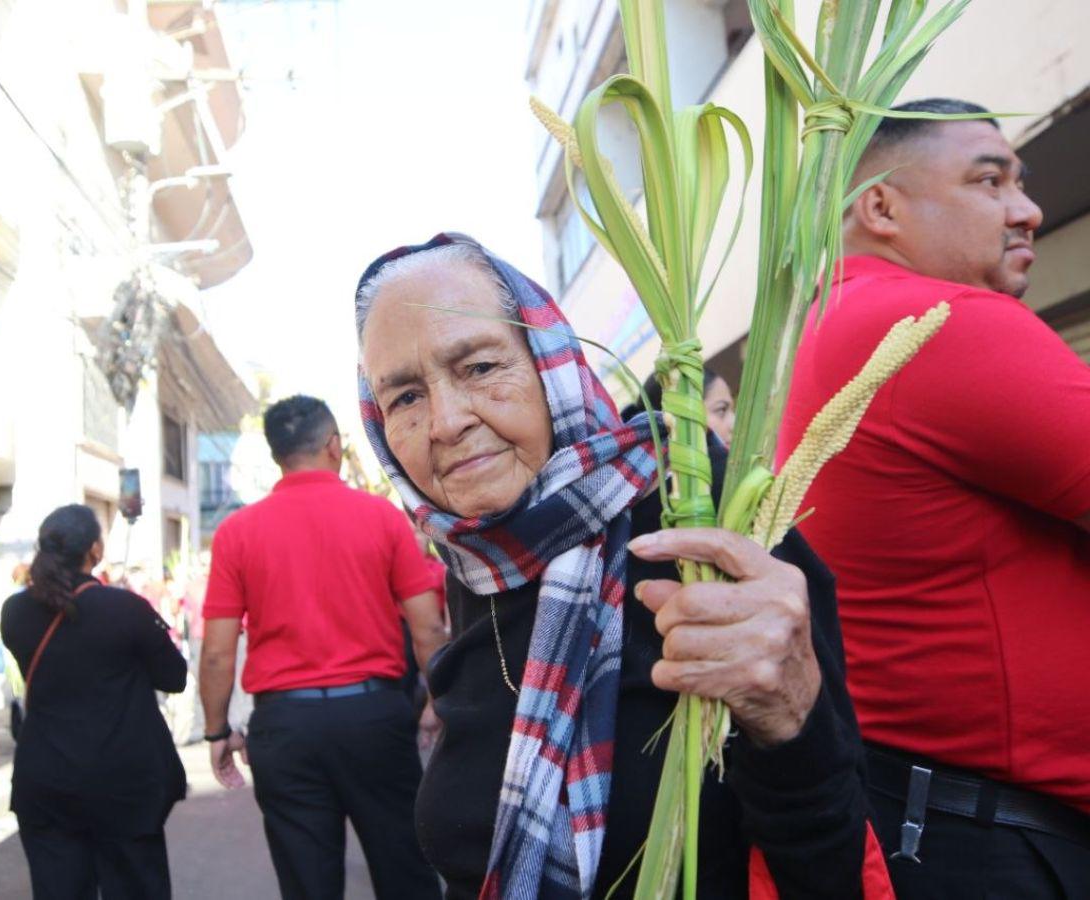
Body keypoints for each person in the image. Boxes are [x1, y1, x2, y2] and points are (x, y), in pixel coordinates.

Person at [355, 232, 891, 899]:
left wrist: (790, 718)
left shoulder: (702, 525)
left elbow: (831, 854)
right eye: (405, 397)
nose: (445, 422)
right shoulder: (477, 563)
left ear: (551, 365)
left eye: (480, 368)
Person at [777, 99, 1090, 897]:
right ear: (881, 206)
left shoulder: (834, 322)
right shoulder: (934, 320)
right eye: (990, 180)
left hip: (933, 814)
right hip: (999, 838)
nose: (1027, 209)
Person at [199, 395, 447, 899]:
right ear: (333, 445)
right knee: (406, 872)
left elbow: (218, 652)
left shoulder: (236, 532)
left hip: (284, 728)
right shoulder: (381, 518)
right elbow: (429, 628)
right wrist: (439, 703)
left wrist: (216, 730)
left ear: (278, 455)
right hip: (374, 717)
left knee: (308, 884)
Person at [1, 505, 187, 899]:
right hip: (123, 781)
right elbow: (174, 676)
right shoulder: (125, 608)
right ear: (95, 550)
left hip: (46, 778)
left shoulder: (14, 612)